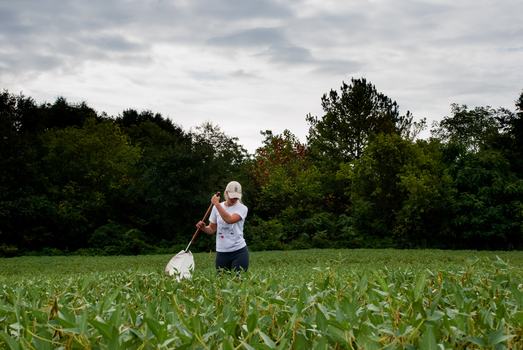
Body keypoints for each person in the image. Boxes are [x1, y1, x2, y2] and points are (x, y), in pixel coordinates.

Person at [196, 181, 249, 272]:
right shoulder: (216, 207)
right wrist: (204, 228)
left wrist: (216, 204)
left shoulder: (243, 208)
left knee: (239, 282)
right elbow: (212, 229)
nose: (234, 199)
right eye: (232, 196)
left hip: (239, 251)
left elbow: (229, 220)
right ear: (226, 193)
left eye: (236, 197)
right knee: (221, 283)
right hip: (222, 252)